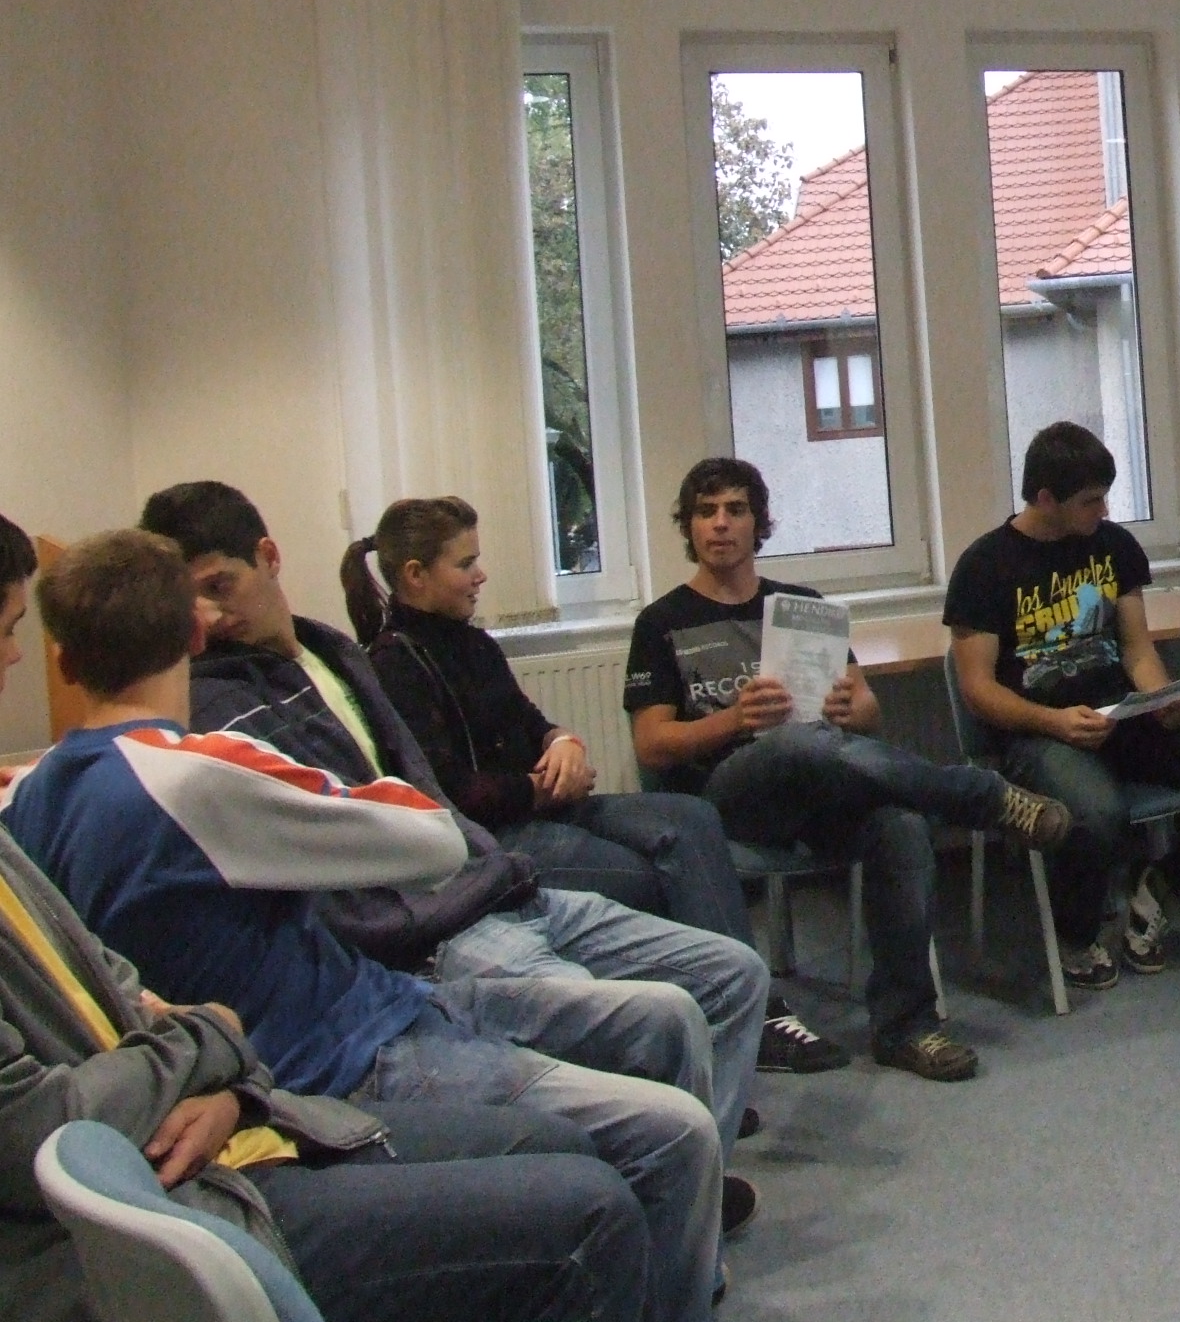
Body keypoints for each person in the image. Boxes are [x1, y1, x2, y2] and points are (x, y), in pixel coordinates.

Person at [4, 529, 725, 1322]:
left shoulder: (30, 798)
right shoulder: (197, 770)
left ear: (63, 662)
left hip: (361, 1012)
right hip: (347, 1053)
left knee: (657, 1020)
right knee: (672, 1132)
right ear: (195, 636)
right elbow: (434, 839)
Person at [135, 482, 767, 1196]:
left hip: (494, 878)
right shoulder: (229, 699)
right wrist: (529, 797)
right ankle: (669, 1172)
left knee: (732, 966)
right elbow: (406, 822)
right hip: (439, 921)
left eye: (220, 586)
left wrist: (562, 741)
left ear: (268, 557)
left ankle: (698, 1178)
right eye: (192, 599)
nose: (208, 617)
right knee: (641, 982)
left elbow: (447, 776)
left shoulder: (336, 654)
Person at [341, 497, 834, 1075]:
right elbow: (448, 794)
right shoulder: (394, 666)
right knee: (648, 876)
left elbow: (530, 721)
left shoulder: (472, 643)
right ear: (415, 575)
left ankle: (748, 1011)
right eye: (465, 563)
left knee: (692, 818)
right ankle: (687, 1039)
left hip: (548, 804)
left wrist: (564, 742)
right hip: (496, 837)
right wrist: (540, 788)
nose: (481, 575)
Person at [628, 457, 1069, 1082]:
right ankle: (978, 795)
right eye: (706, 512)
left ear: (758, 523)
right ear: (690, 526)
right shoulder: (661, 623)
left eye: (735, 510)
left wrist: (850, 708)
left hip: (821, 787)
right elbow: (651, 745)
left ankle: (905, 1025)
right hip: (725, 801)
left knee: (900, 824)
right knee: (794, 742)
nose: (720, 524)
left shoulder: (802, 607)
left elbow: (868, 711)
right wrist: (733, 720)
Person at [947, 422, 1180, 994]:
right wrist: (1053, 721)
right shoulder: (985, 566)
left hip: (1124, 714)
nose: (1103, 510)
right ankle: (1077, 936)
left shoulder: (1113, 546)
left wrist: (1164, 698)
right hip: (1037, 730)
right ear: (1044, 498)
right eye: (1090, 500)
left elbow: (1136, 650)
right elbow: (978, 689)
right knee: (1096, 816)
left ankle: (1163, 894)